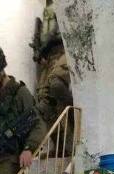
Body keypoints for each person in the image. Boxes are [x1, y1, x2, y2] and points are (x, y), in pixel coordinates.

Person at [31, 1, 74, 153]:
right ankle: (60, 146)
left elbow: (68, 30)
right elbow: (42, 38)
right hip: (49, 58)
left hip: (65, 50)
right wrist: (39, 53)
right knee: (43, 101)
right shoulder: (47, 13)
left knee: (56, 86)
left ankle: (74, 129)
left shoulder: (65, 6)